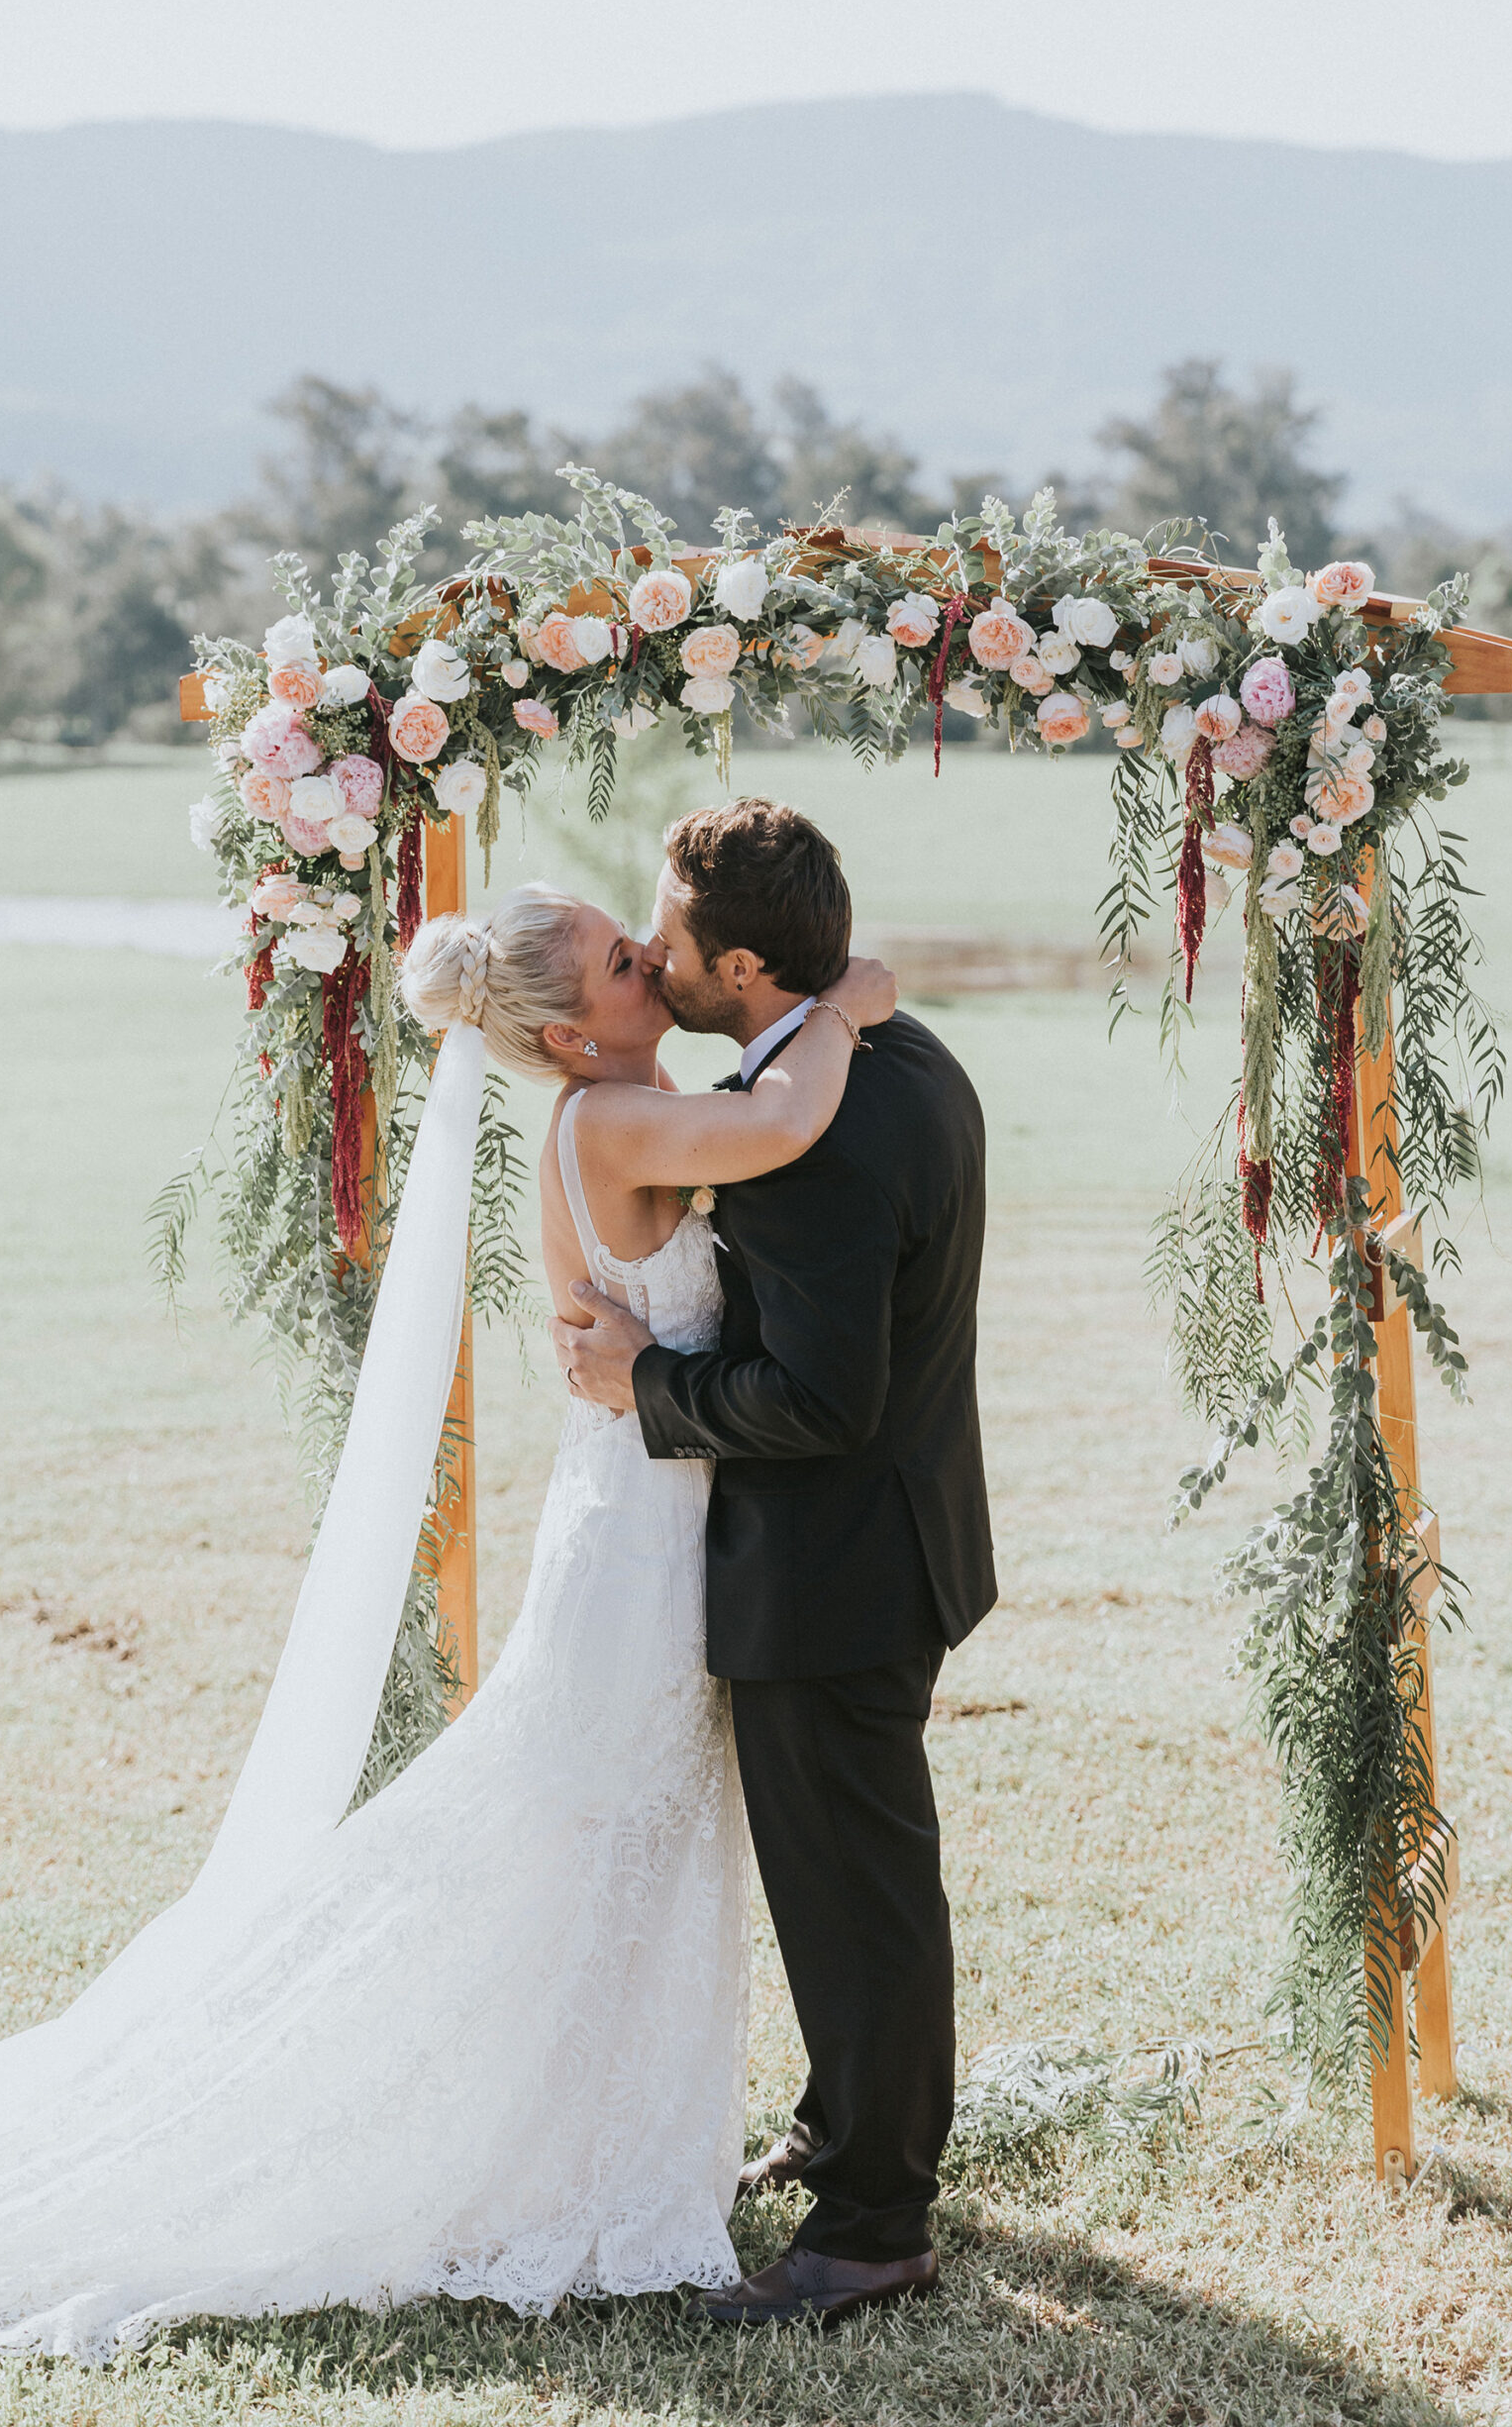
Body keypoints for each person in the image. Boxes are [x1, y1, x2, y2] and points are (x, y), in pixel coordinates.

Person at [0, 881, 893, 2362]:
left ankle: (613, 2152)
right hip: (645, 1556)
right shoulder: (607, 1126)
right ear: (562, 1030)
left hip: (664, 1516)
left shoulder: (629, 1106)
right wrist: (848, 1002)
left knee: (635, 1845)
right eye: (619, 958)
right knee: (596, 1833)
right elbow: (783, 1126)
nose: (649, 959)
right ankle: (542, 2159)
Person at [554, 798, 993, 2328]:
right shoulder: (899, 1054)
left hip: (832, 1576)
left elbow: (817, 1399)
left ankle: (874, 2226)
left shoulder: (810, 1139)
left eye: (665, 934)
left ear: (739, 964)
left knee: (859, 1895)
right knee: (843, 1880)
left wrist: (645, 1388)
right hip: (902, 1537)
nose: (650, 952)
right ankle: (836, 2124)